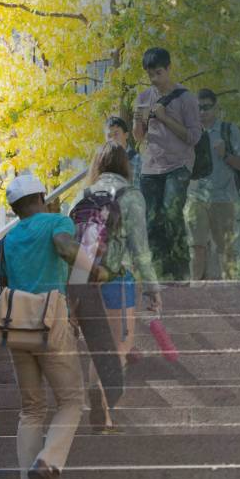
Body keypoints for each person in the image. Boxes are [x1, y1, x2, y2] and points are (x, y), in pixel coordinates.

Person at [0, 174, 85, 479]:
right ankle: (47, 462)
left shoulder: (7, 240)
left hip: (16, 317)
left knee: (31, 407)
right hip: (49, 313)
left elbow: (4, 281)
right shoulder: (56, 222)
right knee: (71, 400)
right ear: (41, 197)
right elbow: (65, 248)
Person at [75, 142, 162, 432]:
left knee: (98, 350)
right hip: (117, 279)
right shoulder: (131, 195)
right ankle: (106, 408)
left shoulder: (83, 194)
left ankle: (97, 399)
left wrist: (71, 289)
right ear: (125, 164)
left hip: (85, 281)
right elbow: (141, 248)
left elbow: (72, 242)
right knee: (119, 347)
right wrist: (151, 287)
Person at [132, 47, 201, 280]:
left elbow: (194, 137)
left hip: (178, 166)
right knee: (152, 221)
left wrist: (164, 118)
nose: (154, 79)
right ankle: (160, 273)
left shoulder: (186, 98)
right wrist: (138, 121)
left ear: (169, 69)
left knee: (172, 214)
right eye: (150, 75)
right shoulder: (143, 98)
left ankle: (180, 272)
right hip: (150, 167)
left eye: (159, 73)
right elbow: (138, 138)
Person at [185, 89, 240, 281]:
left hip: (223, 198)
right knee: (196, 247)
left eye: (206, 107)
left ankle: (229, 294)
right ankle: (195, 293)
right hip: (195, 198)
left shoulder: (229, 131)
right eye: (198, 108)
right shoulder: (189, 134)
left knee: (226, 249)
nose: (202, 112)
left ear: (215, 108)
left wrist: (225, 155)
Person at [105, 116, 142, 189]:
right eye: (109, 136)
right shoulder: (103, 162)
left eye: (116, 134)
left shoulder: (138, 160)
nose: (112, 139)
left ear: (126, 135)